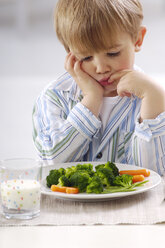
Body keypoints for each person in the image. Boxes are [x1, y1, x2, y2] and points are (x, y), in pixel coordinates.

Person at [32, 0, 165, 175]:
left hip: (131, 203)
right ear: (70, 53)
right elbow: (50, 165)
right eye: (86, 58)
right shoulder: (55, 97)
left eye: (113, 53)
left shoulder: (151, 97)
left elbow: (154, 176)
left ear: (138, 39)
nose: (101, 68)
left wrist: (153, 103)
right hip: (71, 203)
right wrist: (91, 100)